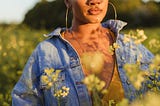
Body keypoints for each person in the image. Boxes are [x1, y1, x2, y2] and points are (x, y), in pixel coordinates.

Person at [12, 0, 154, 106]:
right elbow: (23, 100)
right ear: (67, 1)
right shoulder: (46, 52)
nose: (94, 1)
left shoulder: (131, 47)